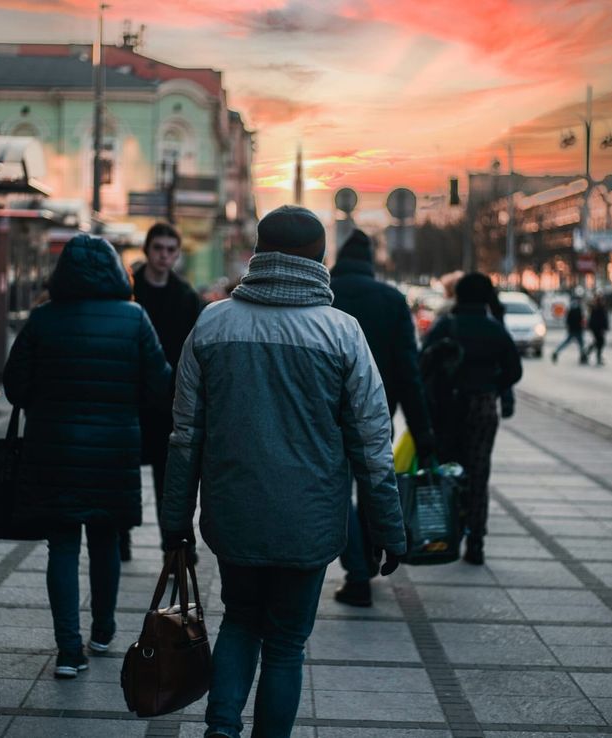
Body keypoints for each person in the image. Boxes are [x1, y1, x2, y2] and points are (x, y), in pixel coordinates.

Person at [160, 206, 405, 738]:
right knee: (287, 644)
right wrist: (388, 527)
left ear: (258, 252)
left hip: (234, 514)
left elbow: (184, 435)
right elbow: (372, 442)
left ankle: (220, 729)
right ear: (321, 257)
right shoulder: (342, 333)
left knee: (240, 621)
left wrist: (175, 519)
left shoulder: (213, 322)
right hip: (309, 522)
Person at [3, 235, 170, 679]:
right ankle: (103, 628)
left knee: (61, 545)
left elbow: (15, 388)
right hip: (113, 449)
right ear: (117, 271)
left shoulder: (42, 319)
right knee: (105, 540)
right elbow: (160, 386)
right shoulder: (135, 319)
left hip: (52, 449)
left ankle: (68, 650)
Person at [329, 228, 434, 607]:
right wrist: (423, 434)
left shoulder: (325, 294)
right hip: (377, 412)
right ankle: (372, 554)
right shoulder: (391, 300)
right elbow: (410, 372)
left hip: (327, 414)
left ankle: (357, 574)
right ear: (371, 262)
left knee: (339, 494)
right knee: (373, 486)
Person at [423, 273, 522, 565]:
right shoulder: (495, 330)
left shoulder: (446, 326)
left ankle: (447, 536)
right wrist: (492, 385)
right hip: (482, 407)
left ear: (459, 296)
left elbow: (423, 361)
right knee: (479, 474)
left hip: (448, 406)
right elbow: (514, 370)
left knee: (449, 471)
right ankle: (476, 542)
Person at [128, 222, 203, 563]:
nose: (164, 255)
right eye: (158, 248)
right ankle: (119, 538)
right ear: (147, 249)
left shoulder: (186, 297)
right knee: (124, 474)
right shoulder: (128, 290)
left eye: (171, 249)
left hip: (169, 403)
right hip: (129, 399)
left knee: (168, 480)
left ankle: (172, 549)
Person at [551, 294, 586, 364]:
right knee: (581, 344)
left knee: (567, 342)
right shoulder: (578, 308)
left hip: (572, 329)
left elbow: (568, 319)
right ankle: (583, 356)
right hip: (577, 329)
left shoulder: (571, 308)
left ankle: (556, 352)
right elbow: (581, 319)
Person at [583, 294, 610, 366]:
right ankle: (596, 357)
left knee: (598, 342)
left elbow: (605, 319)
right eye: (602, 300)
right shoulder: (597, 308)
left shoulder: (600, 308)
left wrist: (605, 327)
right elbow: (598, 320)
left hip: (598, 328)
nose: (604, 301)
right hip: (597, 328)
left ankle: (587, 354)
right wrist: (602, 328)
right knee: (600, 342)